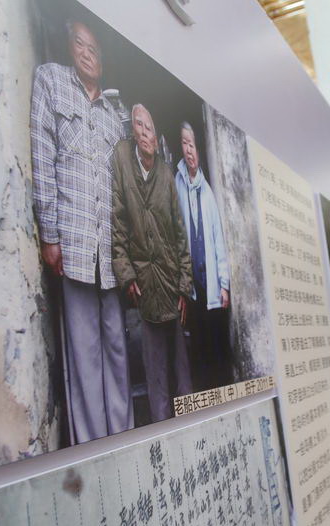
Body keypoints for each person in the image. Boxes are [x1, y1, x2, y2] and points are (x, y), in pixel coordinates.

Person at [31, 20, 129, 444]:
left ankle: (122, 437)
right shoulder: (50, 81)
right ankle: (94, 446)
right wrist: (49, 234)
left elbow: (123, 190)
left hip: (110, 252)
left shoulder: (116, 116)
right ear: (70, 47)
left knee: (117, 349)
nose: (87, 52)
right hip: (72, 244)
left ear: (102, 58)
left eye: (94, 48)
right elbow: (41, 155)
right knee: (84, 352)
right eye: (80, 44)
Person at [111, 103, 193, 423]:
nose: (144, 133)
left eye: (149, 127)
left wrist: (184, 286)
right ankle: (162, 426)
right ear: (132, 132)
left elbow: (180, 235)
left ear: (156, 137)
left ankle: (189, 421)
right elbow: (118, 223)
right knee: (153, 365)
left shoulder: (167, 176)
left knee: (181, 366)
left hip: (171, 282)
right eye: (138, 126)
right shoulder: (124, 167)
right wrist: (127, 275)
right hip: (145, 285)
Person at [174, 121, 233, 390]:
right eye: (184, 143)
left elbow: (218, 239)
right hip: (192, 283)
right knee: (196, 344)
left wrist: (224, 284)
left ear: (199, 149)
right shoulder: (177, 183)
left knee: (216, 342)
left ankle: (222, 390)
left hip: (210, 282)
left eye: (192, 144)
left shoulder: (207, 192)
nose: (189, 150)